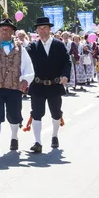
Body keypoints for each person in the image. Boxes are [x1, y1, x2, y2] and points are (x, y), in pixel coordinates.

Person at [0, 18, 34, 156]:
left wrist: (25, 80)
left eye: (7, 29)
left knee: (14, 115)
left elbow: (28, 66)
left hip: (14, 86)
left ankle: (14, 137)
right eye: (2, 29)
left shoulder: (20, 48)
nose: (4, 31)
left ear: (12, 32)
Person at [23, 17, 70, 153]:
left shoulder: (58, 45)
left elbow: (67, 62)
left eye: (45, 28)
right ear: (37, 30)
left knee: (56, 113)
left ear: (50, 29)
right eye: (40, 28)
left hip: (55, 85)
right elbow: (25, 62)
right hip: (38, 85)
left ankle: (54, 135)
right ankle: (37, 142)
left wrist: (65, 75)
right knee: (36, 113)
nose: (42, 31)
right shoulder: (32, 46)